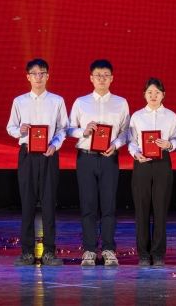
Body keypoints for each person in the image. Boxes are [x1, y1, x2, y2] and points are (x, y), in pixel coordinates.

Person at [6, 58, 69, 266]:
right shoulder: (19, 101)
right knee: (28, 203)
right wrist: (20, 130)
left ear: (48, 76)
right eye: (34, 74)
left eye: (42, 73)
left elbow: (63, 128)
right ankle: (27, 252)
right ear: (28, 77)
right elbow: (10, 127)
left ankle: (49, 252)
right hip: (27, 155)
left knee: (49, 203)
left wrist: (55, 145)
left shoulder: (57, 101)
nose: (38, 77)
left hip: (49, 154)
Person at [67, 59, 130, 267]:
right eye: (98, 75)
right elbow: (69, 129)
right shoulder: (81, 102)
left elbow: (126, 131)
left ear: (112, 78)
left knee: (109, 205)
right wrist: (83, 131)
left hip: (109, 157)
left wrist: (116, 144)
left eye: (106, 75)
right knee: (88, 205)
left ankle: (109, 249)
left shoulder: (121, 103)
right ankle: (89, 250)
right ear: (91, 78)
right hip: (86, 157)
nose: (102, 79)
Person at [128, 78, 176, 267]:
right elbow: (131, 140)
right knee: (142, 209)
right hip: (142, 162)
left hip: (162, 162)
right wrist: (136, 153)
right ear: (144, 95)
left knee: (160, 209)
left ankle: (158, 254)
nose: (153, 96)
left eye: (157, 92)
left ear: (163, 94)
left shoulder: (171, 116)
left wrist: (169, 144)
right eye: (150, 92)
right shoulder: (137, 116)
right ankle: (143, 254)